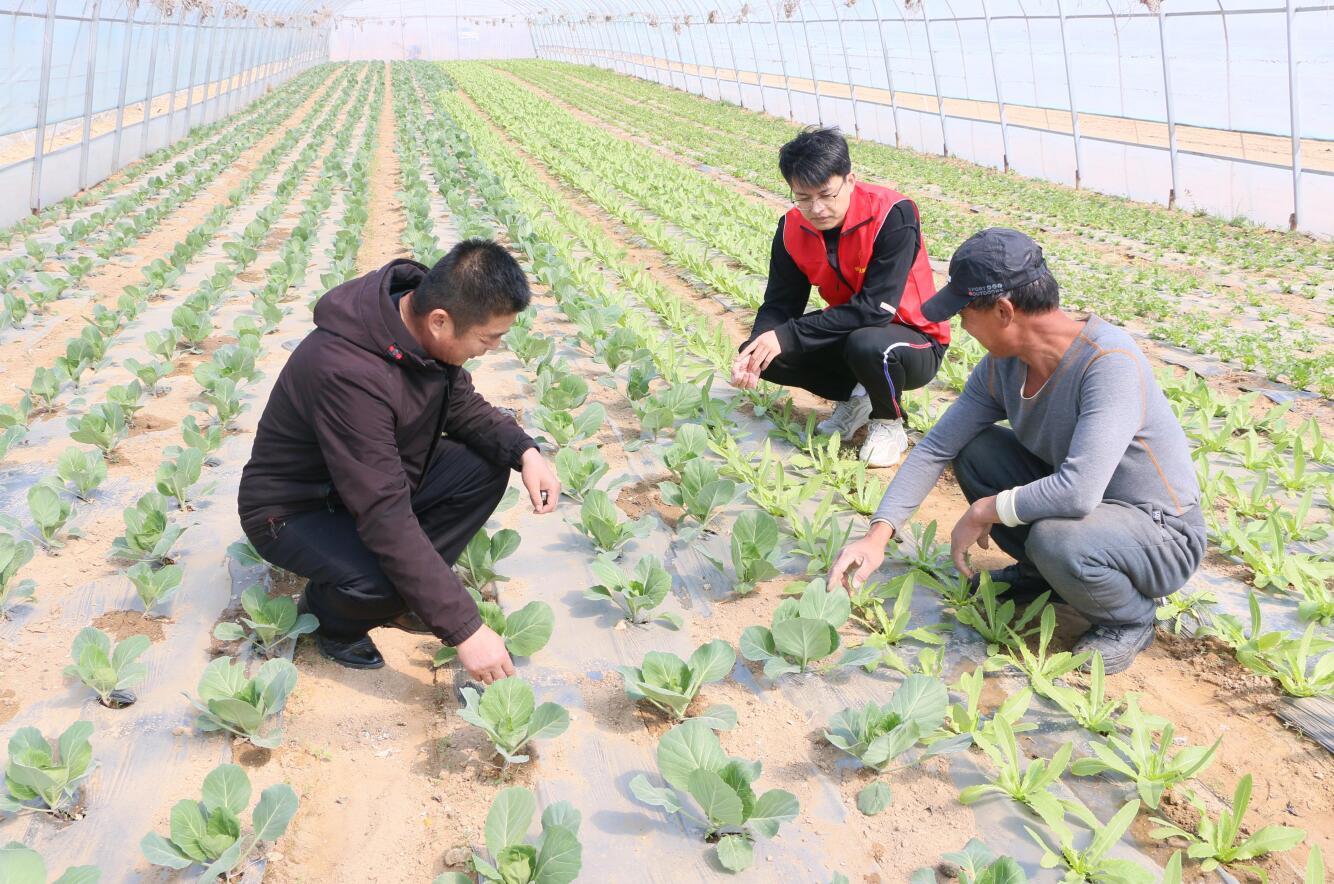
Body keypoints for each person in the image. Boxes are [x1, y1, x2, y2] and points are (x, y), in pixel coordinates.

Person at [829, 228, 1206, 673]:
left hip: (1159, 535)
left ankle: (1129, 618)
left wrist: (986, 508)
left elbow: (1079, 493)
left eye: (965, 313)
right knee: (976, 449)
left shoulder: (1108, 363)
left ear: (1004, 311)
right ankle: (1042, 576)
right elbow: (936, 448)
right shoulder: (1002, 367)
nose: (962, 326)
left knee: (1056, 537)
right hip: (1089, 513)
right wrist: (878, 534)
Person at [237, 240, 560, 684]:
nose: (493, 348)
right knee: (386, 579)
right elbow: (384, 514)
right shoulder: (348, 372)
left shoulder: (414, 330)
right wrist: (466, 630)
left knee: (483, 469)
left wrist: (525, 450)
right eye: (488, 338)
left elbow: (461, 404)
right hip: (295, 509)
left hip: (363, 481)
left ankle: (399, 594)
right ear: (440, 321)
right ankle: (334, 619)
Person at [730, 126, 949, 467]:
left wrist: (787, 334)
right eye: (802, 197)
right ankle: (858, 397)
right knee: (764, 353)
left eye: (826, 194)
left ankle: (889, 422)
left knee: (868, 343)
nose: (816, 208)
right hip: (852, 334)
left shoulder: (893, 214)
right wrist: (759, 345)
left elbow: (877, 308)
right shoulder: (792, 228)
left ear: (849, 180)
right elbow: (780, 303)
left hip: (913, 341)